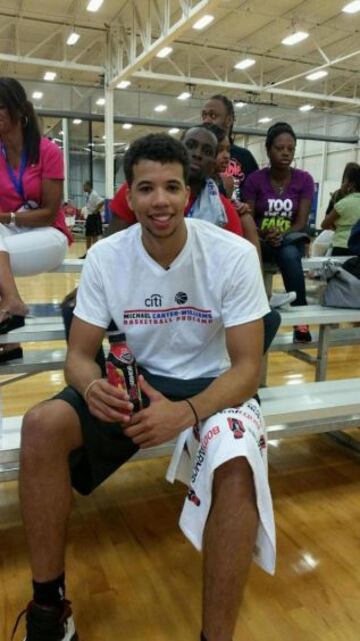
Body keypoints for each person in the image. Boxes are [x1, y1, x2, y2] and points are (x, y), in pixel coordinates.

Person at [18, 133, 275, 641]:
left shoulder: (233, 254)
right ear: (128, 196)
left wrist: (188, 413)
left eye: (172, 187)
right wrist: (92, 387)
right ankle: (49, 609)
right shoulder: (107, 256)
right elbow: (77, 355)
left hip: (214, 383)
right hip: (136, 385)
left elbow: (248, 369)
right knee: (41, 424)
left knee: (240, 463)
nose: (160, 201)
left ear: (188, 193)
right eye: (146, 188)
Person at [0, 77, 71, 362]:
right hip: (12, 235)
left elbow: (50, 213)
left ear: (20, 111)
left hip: (50, 235)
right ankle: (10, 344)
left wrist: (8, 216)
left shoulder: (48, 151)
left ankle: (13, 304)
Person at [243, 122, 315, 343]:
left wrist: (281, 236)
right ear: (268, 149)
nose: (285, 152)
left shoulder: (304, 179)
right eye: (279, 148)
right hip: (261, 240)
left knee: (289, 254)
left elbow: (301, 222)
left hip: (289, 241)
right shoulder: (255, 179)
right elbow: (248, 216)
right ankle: (252, 317)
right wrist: (264, 234)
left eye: (290, 149)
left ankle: (301, 322)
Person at [200, 93, 259, 201]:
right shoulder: (196, 154)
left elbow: (256, 194)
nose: (206, 120)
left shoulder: (245, 157)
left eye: (213, 116)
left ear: (229, 120)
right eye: (204, 115)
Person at [321, 164, 360, 256]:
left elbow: (324, 224)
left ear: (349, 183)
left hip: (341, 246)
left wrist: (337, 227)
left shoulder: (342, 202)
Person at [80, 180, 104, 257]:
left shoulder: (94, 194)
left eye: (84, 186)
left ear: (88, 186)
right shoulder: (89, 194)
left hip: (94, 216)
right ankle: (88, 253)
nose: (83, 188)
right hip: (90, 216)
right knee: (88, 235)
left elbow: (102, 202)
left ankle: (94, 254)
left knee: (94, 235)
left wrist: (95, 211)